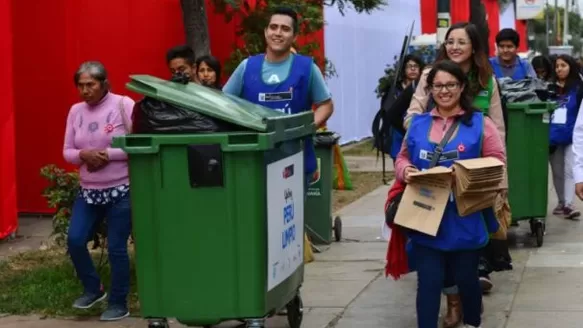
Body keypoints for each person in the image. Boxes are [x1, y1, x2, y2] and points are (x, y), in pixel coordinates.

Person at [404, 22, 507, 327]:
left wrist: (490, 183)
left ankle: (470, 318)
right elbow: (404, 154)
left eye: (451, 86)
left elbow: (496, 155)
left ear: (462, 88)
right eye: (438, 86)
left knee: (467, 278)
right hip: (426, 211)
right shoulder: (420, 120)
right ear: (430, 88)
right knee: (429, 282)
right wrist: (406, 170)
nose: (444, 91)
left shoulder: (481, 116)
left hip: (466, 212)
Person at [223, 6, 334, 183]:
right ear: (266, 32)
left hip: (296, 160)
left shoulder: (307, 68)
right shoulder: (246, 67)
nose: (278, 33)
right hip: (254, 162)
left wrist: (304, 128)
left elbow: (326, 105)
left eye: (285, 28)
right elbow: (223, 103)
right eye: (273, 27)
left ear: (295, 36)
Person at [63, 61, 134, 321]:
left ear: (103, 83)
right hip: (89, 191)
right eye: (80, 85)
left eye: (90, 84)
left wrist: (107, 155)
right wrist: (84, 154)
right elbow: (68, 152)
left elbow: (136, 146)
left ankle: (119, 302)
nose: (85, 90)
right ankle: (93, 288)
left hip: (121, 190)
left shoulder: (123, 105)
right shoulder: (75, 111)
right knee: (75, 239)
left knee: (116, 248)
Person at [549, 55, 582, 219]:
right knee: (557, 171)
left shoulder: (578, 87)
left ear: (571, 67)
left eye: (563, 65)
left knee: (569, 169)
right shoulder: (549, 87)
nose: (559, 69)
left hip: (571, 136)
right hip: (553, 137)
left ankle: (569, 204)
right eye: (557, 66)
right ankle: (561, 202)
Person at [382, 54, 425, 164]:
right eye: (409, 66)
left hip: (418, 130)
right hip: (398, 132)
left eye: (416, 66)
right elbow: (388, 111)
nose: (413, 69)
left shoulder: (424, 89)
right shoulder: (394, 89)